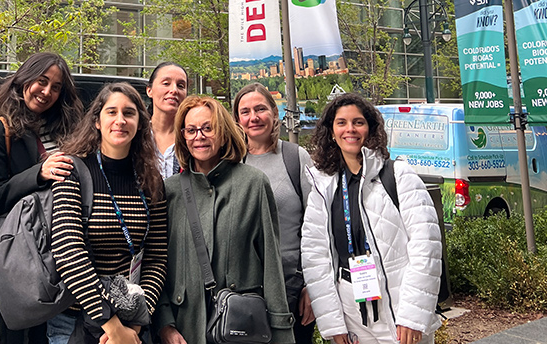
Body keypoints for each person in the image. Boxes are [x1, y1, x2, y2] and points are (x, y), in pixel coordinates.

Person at [301, 93, 442, 344]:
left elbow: (426, 248)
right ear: (331, 132)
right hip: (351, 310)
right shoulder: (322, 188)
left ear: (370, 128)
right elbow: (316, 260)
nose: (350, 129)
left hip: (399, 305)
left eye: (358, 122)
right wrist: (333, 324)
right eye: (341, 123)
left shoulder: (398, 175)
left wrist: (412, 316)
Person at [155, 95, 294, 344]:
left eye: (208, 128)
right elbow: (157, 263)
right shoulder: (169, 191)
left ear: (223, 132)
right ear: (183, 137)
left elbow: (271, 262)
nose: (199, 136)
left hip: (240, 328)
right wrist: (165, 324)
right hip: (184, 329)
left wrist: (281, 331)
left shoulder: (253, 183)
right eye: (191, 130)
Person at [50, 82, 168, 344]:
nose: (120, 120)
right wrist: (111, 327)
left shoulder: (151, 181)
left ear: (139, 122)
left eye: (129, 113)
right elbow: (69, 252)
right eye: (111, 112)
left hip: (130, 321)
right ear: (97, 122)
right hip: (74, 320)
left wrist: (136, 324)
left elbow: (157, 257)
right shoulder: (73, 172)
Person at [0, 52, 83, 343]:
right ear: (24, 80)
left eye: (56, 86)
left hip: (65, 251)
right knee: (19, 334)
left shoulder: (71, 131)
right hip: (20, 254)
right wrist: (39, 173)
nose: (47, 91)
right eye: (41, 81)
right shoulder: (0, 131)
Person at [232, 82, 316, 344]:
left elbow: (317, 226)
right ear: (237, 120)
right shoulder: (230, 162)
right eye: (245, 112)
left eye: (260, 109)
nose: (253, 117)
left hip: (291, 286)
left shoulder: (295, 157)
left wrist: (312, 287)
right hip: (242, 292)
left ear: (274, 113)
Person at [146, 62, 188, 178]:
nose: (174, 90)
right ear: (149, 90)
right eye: (166, 83)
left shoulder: (191, 137)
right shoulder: (136, 135)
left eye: (180, 86)